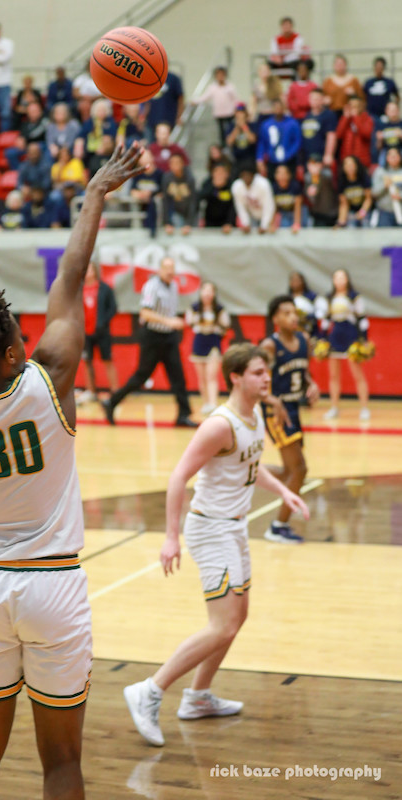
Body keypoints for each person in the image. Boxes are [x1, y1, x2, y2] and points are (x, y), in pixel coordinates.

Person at [0, 144, 145, 800]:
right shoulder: (50, 377)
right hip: (52, 584)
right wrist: (95, 196)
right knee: (60, 764)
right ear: (17, 347)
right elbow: (70, 280)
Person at [123, 343, 309, 747]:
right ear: (236, 377)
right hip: (210, 530)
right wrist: (171, 537)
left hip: (235, 529)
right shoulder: (218, 425)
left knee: (236, 618)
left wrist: (283, 492)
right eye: (258, 372)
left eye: (267, 371)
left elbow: (251, 465)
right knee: (222, 623)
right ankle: (149, 691)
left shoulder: (254, 414)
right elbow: (177, 478)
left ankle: (197, 697)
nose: (266, 378)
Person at [102, 257, 196, 428]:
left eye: (172, 268)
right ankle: (112, 402)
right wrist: (169, 321)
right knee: (141, 376)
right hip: (152, 337)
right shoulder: (152, 286)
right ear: (159, 270)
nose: (169, 271)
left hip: (169, 338)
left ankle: (183, 414)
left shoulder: (174, 286)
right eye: (166, 267)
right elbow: (145, 313)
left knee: (178, 377)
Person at [260, 295, 319, 543]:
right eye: (286, 313)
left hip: (294, 408)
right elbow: (256, 383)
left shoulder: (304, 340)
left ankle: (247, 471)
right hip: (277, 412)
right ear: (275, 319)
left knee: (289, 470)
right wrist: (274, 402)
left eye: (294, 312)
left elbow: (302, 371)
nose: (292, 317)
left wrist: (312, 383)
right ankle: (278, 525)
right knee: (300, 469)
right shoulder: (269, 346)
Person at [317, 269, 370, 421]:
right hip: (335, 337)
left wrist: (364, 339)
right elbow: (326, 320)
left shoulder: (354, 297)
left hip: (351, 336)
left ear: (347, 279)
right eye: (336, 277)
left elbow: (362, 319)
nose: (339, 280)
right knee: (333, 375)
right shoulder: (329, 297)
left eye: (342, 277)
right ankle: (334, 407)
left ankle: (364, 408)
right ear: (333, 280)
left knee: (357, 374)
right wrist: (322, 338)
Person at [185, 282, 230, 414]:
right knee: (202, 377)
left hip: (213, 342)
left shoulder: (219, 309)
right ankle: (205, 403)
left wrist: (217, 325)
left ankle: (213, 403)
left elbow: (226, 325)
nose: (207, 294)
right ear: (200, 292)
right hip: (199, 341)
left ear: (214, 294)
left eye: (210, 291)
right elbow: (189, 322)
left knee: (211, 376)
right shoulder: (194, 308)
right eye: (205, 290)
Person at [78, 258, 118, 404]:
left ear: (95, 271)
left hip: (102, 332)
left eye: (91, 269)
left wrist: (103, 322)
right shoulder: (79, 289)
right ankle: (91, 391)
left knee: (108, 360)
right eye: (86, 270)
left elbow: (113, 308)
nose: (88, 272)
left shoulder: (104, 289)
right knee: (87, 361)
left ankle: (115, 391)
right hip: (85, 332)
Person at [190, 67, 239, 146]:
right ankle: (224, 147)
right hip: (219, 115)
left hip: (229, 114)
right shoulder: (212, 87)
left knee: (230, 131)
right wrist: (195, 101)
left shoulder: (230, 87)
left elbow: (235, 100)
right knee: (221, 134)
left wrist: (237, 110)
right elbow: (205, 97)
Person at [256, 99, 302, 180]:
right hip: (272, 160)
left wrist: (288, 154)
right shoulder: (266, 125)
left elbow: (297, 142)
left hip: (289, 160)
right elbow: (262, 143)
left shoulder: (292, 123)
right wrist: (260, 158)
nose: (278, 109)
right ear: (272, 109)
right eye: (275, 107)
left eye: (280, 107)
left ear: (284, 108)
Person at [231, 162, 275, 233]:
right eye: (243, 175)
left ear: (253, 175)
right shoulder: (237, 187)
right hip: (252, 216)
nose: (246, 178)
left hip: (267, 216)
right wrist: (246, 223)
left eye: (248, 175)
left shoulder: (263, 184)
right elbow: (240, 207)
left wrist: (264, 225)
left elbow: (269, 206)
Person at [300, 88, 337, 166]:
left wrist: (328, 154)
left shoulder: (328, 115)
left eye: (317, 99)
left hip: (321, 155)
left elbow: (331, 135)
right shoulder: (307, 115)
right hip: (308, 154)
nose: (314, 101)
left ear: (322, 100)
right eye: (312, 99)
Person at [162, 153, 197, 234]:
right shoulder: (167, 178)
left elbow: (193, 201)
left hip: (189, 212)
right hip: (176, 213)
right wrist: (167, 223)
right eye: (172, 163)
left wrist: (188, 223)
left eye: (177, 162)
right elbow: (166, 201)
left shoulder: (190, 178)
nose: (175, 165)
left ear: (182, 164)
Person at [335, 95, 374, 168]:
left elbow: (366, 134)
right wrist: (345, 118)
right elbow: (338, 135)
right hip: (347, 159)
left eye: (356, 106)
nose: (353, 108)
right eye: (351, 106)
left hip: (362, 160)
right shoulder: (345, 119)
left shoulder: (367, 119)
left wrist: (356, 118)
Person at [303, 153, 338, 227]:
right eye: (310, 163)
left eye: (316, 163)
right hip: (318, 214)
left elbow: (329, 178)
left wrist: (318, 173)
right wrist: (310, 194)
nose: (313, 166)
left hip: (332, 212)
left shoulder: (327, 173)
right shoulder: (307, 177)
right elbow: (311, 199)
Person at [336, 155, 372, 228]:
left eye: (351, 165)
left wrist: (362, 212)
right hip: (351, 211)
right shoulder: (341, 181)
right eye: (347, 165)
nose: (349, 167)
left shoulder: (363, 177)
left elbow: (368, 199)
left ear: (356, 165)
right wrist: (341, 221)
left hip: (365, 208)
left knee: (366, 226)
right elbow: (344, 203)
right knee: (350, 227)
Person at [199, 161, 235, 232]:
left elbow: (233, 206)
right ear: (213, 174)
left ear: (227, 174)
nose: (219, 175)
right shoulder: (208, 183)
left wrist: (229, 223)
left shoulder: (232, 185)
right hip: (210, 220)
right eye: (217, 172)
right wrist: (213, 186)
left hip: (226, 222)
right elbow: (200, 197)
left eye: (222, 172)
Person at [371, 147, 402, 226]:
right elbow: (374, 193)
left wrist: (400, 196)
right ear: (387, 158)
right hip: (385, 212)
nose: (394, 158)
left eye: (396, 156)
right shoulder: (380, 172)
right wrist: (384, 185)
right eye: (391, 156)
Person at [270, 163, 304, 232]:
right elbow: (273, 207)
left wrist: (297, 223)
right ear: (275, 176)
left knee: (301, 227)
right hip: (284, 212)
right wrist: (272, 224)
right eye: (279, 173)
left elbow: (298, 206)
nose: (282, 176)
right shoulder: (273, 188)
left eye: (284, 173)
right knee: (284, 226)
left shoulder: (295, 186)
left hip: (297, 212)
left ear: (289, 175)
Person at [288, 271, 318, 337]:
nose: (295, 283)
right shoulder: (287, 297)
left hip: (309, 328)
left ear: (302, 282)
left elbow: (318, 312)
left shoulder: (311, 296)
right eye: (292, 280)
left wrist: (307, 316)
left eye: (297, 280)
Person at [375, 101, 402, 166]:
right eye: (391, 110)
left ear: (398, 111)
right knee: (382, 157)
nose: (393, 112)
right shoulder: (381, 125)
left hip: (400, 149)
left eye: (394, 110)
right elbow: (378, 147)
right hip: (386, 150)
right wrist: (379, 139)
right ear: (386, 111)